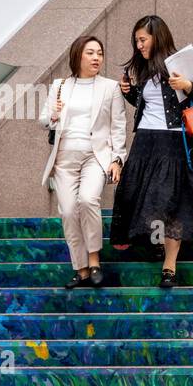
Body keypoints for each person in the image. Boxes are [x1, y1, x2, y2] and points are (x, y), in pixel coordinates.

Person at [110, 14, 193, 289]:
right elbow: (147, 106)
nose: (139, 46)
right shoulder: (144, 70)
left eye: (142, 40)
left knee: (171, 201)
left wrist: (188, 86)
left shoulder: (180, 63)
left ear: (158, 36)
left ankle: (170, 265)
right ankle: (154, 243)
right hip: (144, 141)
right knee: (139, 196)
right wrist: (130, 92)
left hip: (173, 142)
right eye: (137, 41)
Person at [39, 35, 128, 289]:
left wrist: (117, 160)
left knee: (88, 200)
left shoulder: (110, 88)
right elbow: (43, 120)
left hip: (95, 156)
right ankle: (81, 269)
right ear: (78, 55)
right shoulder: (60, 85)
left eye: (99, 53)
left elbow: (118, 128)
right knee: (68, 211)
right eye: (90, 53)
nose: (96, 57)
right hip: (64, 158)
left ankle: (94, 260)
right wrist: (54, 114)